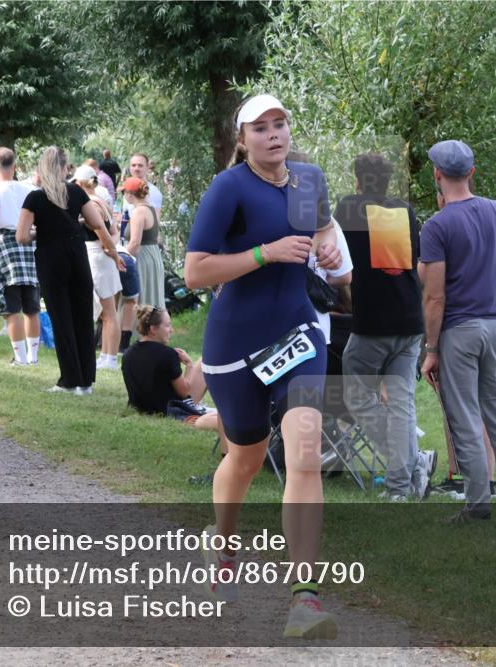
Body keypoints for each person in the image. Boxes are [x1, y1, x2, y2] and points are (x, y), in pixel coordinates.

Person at [184, 94, 342, 639]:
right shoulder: (228, 188)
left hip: (298, 334)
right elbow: (195, 272)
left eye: (280, 124)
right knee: (246, 457)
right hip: (235, 345)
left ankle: (305, 599)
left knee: (304, 451)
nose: (273, 134)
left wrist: (325, 249)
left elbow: (323, 230)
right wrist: (264, 254)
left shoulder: (309, 179)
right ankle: (223, 544)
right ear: (243, 138)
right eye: (260, 128)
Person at [418, 140, 496, 527]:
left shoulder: (436, 226)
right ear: (472, 173)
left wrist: (431, 348)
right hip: (494, 324)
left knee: (466, 418)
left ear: (437, 174)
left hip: (458, 331)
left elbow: (435, 296)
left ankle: (478, 505)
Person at [335, 152, 436, 502]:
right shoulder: (404, 211)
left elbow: (335, 255)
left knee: (356, 396)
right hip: (409, 319)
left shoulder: (350, 207)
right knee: (402, 404)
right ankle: (401, 486)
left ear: (357, 180)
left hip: (373, 323)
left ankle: (408, 463)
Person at [16, 146, 124, 395]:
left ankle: (69, 379)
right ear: (65, 168)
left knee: (61, 317)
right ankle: (85, 381)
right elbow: (97, 223)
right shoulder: (76, 192)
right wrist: (112, 250)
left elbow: (21, 236)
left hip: (50, 258)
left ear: (43, 168)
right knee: (82, 315)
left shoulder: (35, 198)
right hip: (77, 255)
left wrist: (40, 231)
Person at [0, 147, 41, 366]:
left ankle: (20, 358)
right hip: (29, 246)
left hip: (5, 249)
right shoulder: (31, 190)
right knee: (32, 309)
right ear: (15, 166)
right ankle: (33, 357)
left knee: (11, 309)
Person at [122, 306, 220, 432]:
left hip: (143, 406)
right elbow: (184, 392)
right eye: (168, 325)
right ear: (153, 329)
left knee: (205, 360)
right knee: (225, 419)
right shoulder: (167, 354)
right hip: (170, 409)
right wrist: (189, 365)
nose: (171, 330)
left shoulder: (128, 353)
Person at [72, 164, 123, 370]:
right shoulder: (102, 201)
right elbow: (114, 233)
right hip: (102, 255)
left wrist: (110, 250)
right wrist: (113, 249)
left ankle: (110, 357)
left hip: (97, 256)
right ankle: (106, 355)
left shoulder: (91, 204)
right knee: (107, 311)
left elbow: (103, 235)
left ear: (79, 184)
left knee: (108, 311)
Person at [123, 177, 166, 309]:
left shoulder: (139, 211)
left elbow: (135, 243)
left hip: (143, 258)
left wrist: (121, 257)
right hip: (152, 255)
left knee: (143, 301)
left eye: (124, 192)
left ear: (130, 194)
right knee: (153, 300)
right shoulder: (150, 208)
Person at [127, 153, 163, 218]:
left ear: (147, 168)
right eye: (133, 165)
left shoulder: (153, 191)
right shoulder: (128, 189)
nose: (136, 168)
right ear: (130, 168)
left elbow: (155, 220)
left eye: (140, 165)